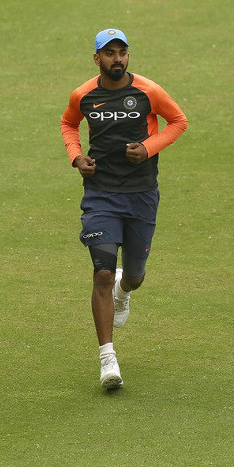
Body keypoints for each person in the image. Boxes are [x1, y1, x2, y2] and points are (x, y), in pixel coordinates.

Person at [60, 28, 188, 389]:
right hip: (100, 195)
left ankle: (124, 291)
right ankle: (107, 359)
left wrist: (149, 148)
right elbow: (69, 124)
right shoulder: (83, 95)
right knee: (101, 272)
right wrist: (75, 157)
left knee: (133, 276)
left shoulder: (148, 91)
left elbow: (178, 121)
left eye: (123, 52)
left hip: (141, 194)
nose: (117, 58)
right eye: (110, 53)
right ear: (97, 58)